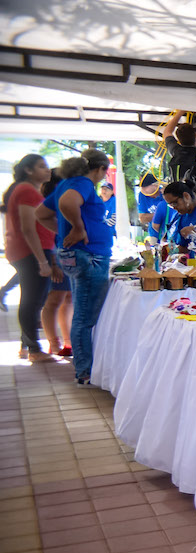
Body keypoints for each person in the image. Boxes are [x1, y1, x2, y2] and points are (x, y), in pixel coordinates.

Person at [35, 148, 113, 384]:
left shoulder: (66, 183)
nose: (103, 177)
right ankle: (85, 371)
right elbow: (68, 203)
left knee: (81, 311)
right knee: (84, 317)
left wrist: (65, 233)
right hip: (88, 256)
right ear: (99, 169)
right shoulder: (83, 183)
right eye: (104, 172)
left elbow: (41, 214)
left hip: (75, 254)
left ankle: (84, 367)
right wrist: (78, 229)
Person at [2, 154, 56, 361]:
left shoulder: (25, 190)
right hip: (29, 252)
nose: (47, 170)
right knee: (32, 301)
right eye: (42, 167)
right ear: (29, 170)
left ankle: (27, 346)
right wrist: (42, 260)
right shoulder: (26, 190)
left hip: (28, 251)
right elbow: (27, 228)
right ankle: (33, 349)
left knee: (34, 299)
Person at [40, 173, 73, 358]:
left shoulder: (61, 205)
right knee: (54, 300)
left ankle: (67, 342)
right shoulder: (49, 207)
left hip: (66, 257)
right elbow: (48, 239)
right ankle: (53, 343)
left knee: (67, 298)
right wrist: (53, 263)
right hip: (55, 258)